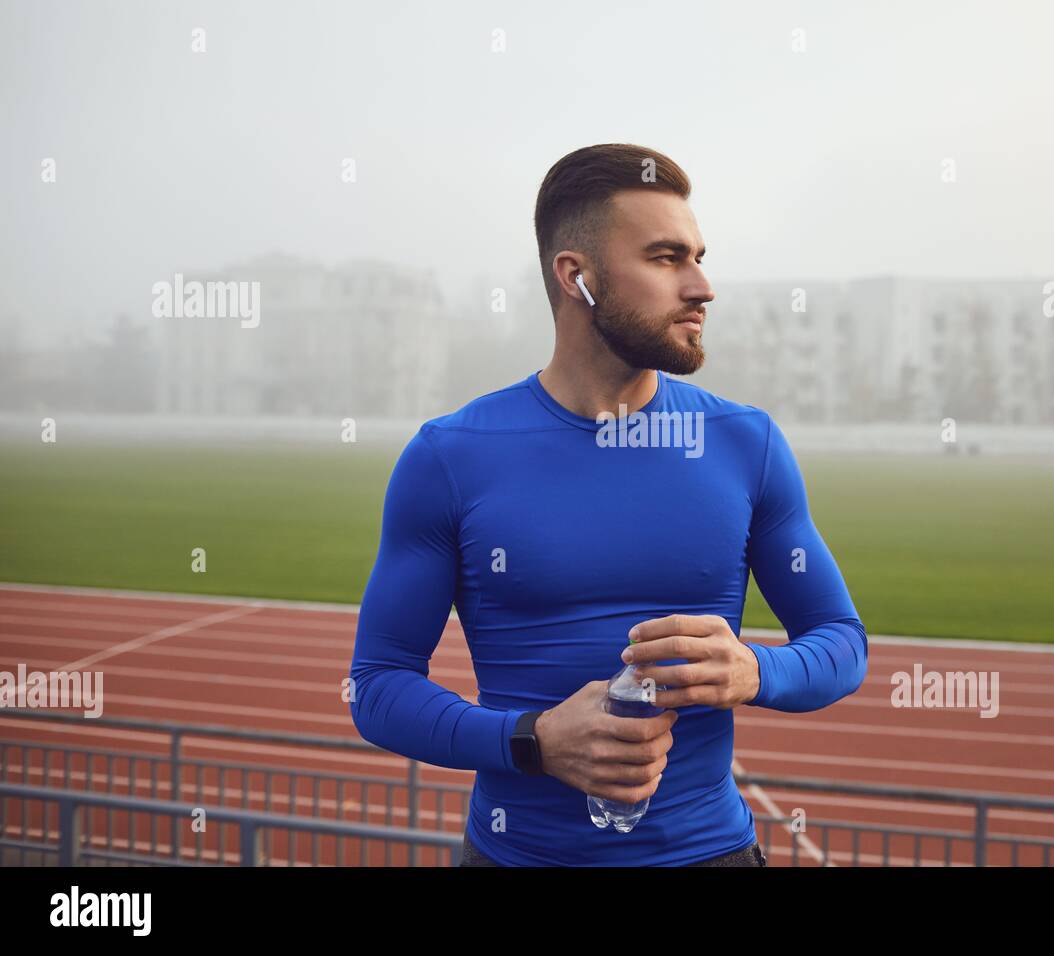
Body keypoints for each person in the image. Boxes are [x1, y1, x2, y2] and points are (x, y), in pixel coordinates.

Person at [348, 143, 868, 866]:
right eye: (665, 259)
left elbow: (842, 642)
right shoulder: (450, 456)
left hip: (710, 854)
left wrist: (755, 669)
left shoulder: (746, 442)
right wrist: (531, 740)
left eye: (698, 256)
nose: (702, 286)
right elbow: (375, 687)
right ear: (577, 276)